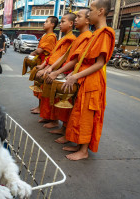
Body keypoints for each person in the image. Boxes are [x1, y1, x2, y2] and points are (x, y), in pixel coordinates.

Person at [61, 0, 115, 160]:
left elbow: (99, 63)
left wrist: (76, 75)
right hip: (84, 78)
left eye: (91, 10)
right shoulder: (96, 34)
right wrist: (74, 74)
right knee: (79, 112)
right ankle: (78, 144)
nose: (89, 13)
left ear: (101, 11)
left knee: (87, 116)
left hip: (93, 82)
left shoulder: (105, 33)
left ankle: (84, 151)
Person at [44, 9, 92, 144]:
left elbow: (76, 60)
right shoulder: (79, 37)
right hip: (69, 72)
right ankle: (63, 128)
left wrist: (57, 72)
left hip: (76, 74)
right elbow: (66, 56)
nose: (76, 19)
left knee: (71, 105)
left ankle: (67, 132)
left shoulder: (87, 36)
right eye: (75, 17)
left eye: (78, 17)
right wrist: (51, 68)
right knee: (65, 103)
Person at [35, 13, 76, 125]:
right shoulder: (63, 38)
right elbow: (54, 54)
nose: (60, 24)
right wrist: (45, 66)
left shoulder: (70, 39)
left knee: (55, 97)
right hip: (52, 67)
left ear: (71, 24)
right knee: (47, 94)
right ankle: (47, 116)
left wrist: (51, 69)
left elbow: (62, 57)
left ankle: (53, 120)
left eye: (63, 22)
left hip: (61, 70)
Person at [28, 16, 58, 114]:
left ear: (52, 25)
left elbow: (41, 50)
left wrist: (33, 53)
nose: (44, 23)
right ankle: (39, 106)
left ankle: (41, 108)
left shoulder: (51, 36)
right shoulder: (45, 35)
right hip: (41, 61)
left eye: (46, 21)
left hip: (46, 63)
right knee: (39, 85)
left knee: (42, 86)